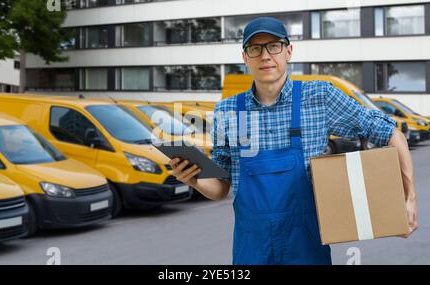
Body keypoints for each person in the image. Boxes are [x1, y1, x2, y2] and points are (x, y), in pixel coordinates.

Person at [168, 17, 418, 265]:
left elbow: (391, 134)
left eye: (273, 46)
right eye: (255, 48)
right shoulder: (228, 111)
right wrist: (194, 179)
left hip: (307, 249)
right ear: (245, 58)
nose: (265, 56)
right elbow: (221, 187)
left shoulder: (320, 97)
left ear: (288, 51)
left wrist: (409, 200)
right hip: (251, 250)